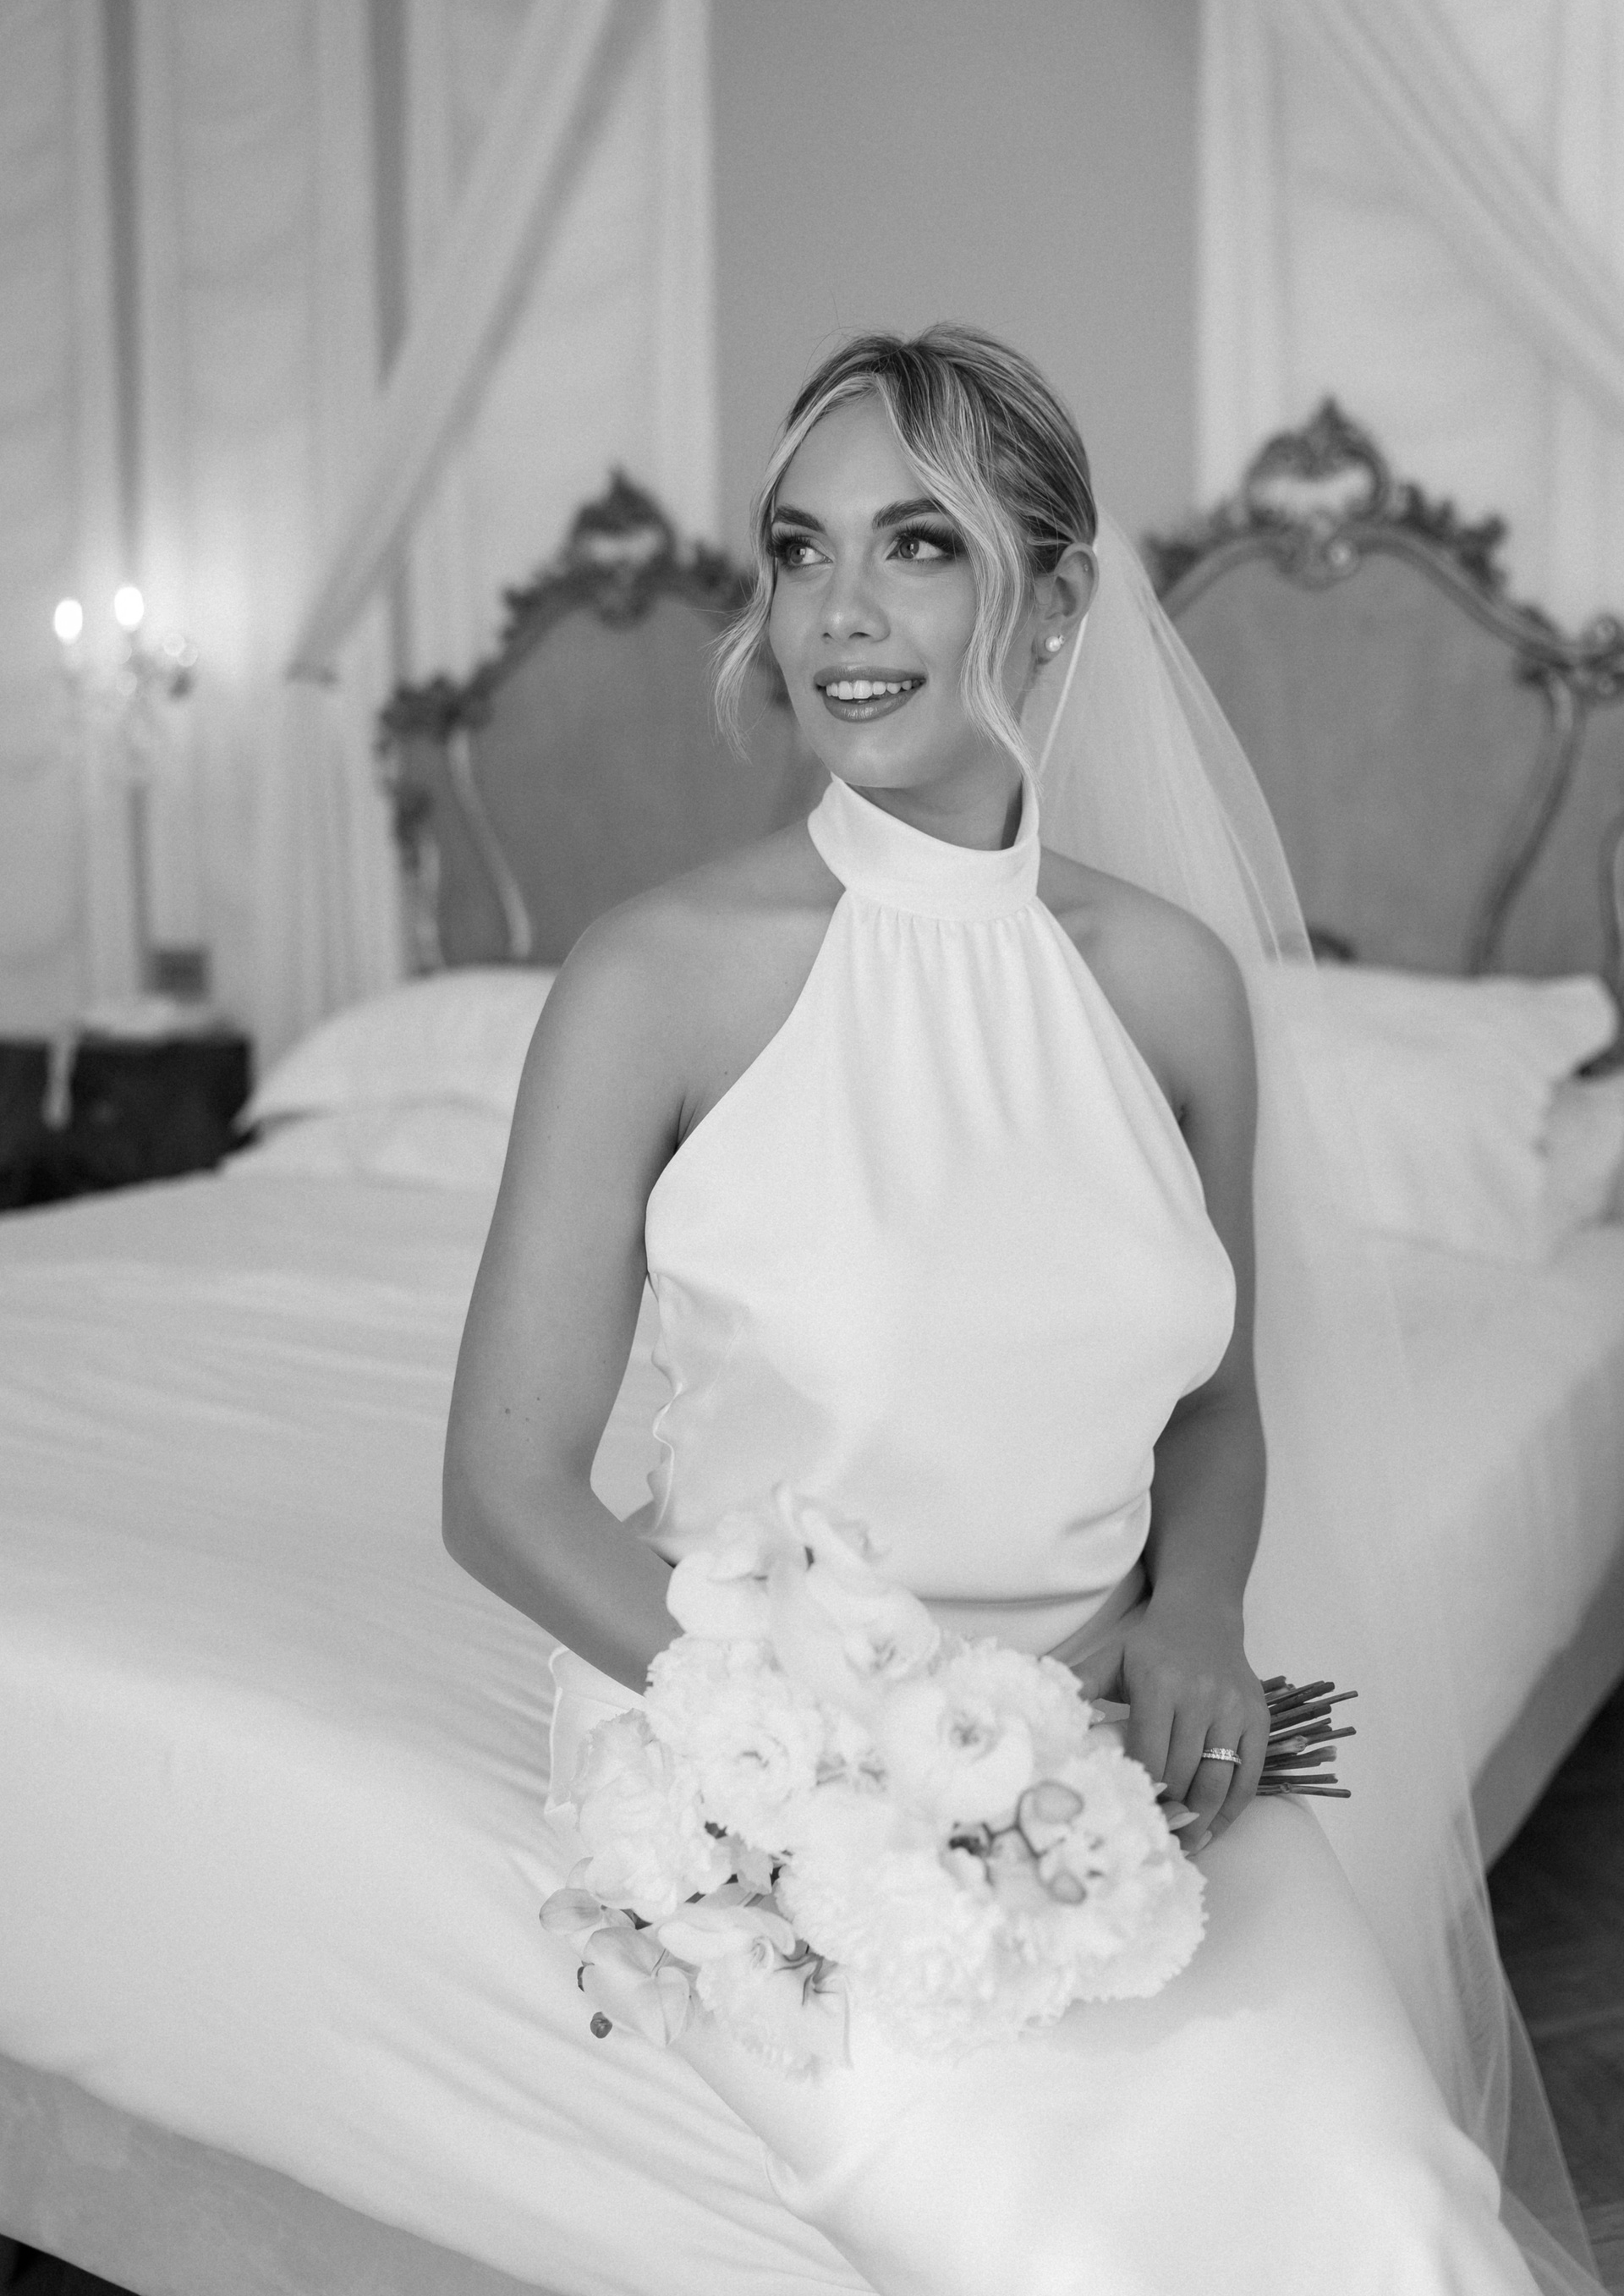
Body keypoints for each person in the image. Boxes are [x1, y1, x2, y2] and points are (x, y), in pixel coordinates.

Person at [442, 327, 1596, 2295]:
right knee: (1076, 2250)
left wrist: (1201, 1618)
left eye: (921, 546)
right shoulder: (657, 978)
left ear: (1056, 599)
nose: (839, 613)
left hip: (1112, 1742)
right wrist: (845, 1748)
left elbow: (1215, 1403)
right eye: (800, 550)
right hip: (755, 1756)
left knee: (1391, 2204)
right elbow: (502, 1491)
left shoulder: (1171, 986)